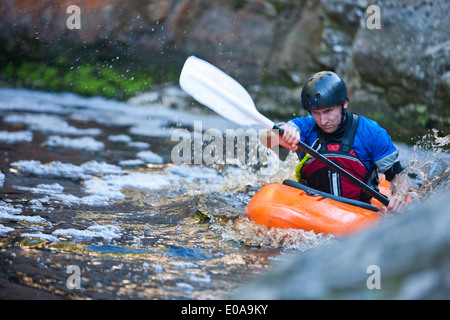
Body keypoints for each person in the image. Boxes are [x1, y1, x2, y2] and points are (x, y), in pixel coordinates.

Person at [260, 71, 409, 213]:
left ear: (344, 103)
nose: (323, 121)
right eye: (316, 114)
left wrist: (399, 196)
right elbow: (266, 140)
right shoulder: (306, 126)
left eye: (328, 111)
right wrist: (284, 132)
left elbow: (398, 175)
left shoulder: (371, 132)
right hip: (311, 206)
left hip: (358, 210)